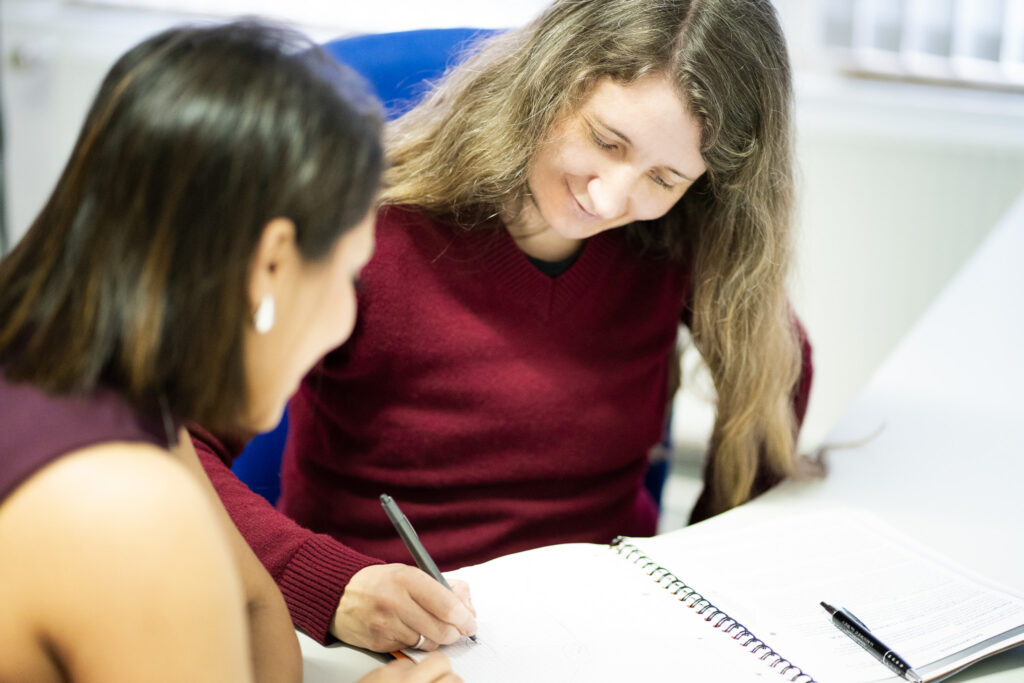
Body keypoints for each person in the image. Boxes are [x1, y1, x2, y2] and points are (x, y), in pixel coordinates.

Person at [194, 0, 813, 652]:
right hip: (389, 647)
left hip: (601, 636)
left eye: (664, 176)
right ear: (550, 78)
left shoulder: (675, 238)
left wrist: (704, 567)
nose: (608, 200)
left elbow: (776, 365)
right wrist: (331, 584)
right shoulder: (368, 222)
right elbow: (174, 440)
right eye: (606, 140)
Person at [0, 21, 465, 683]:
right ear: (272, 263)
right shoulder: (123, 504)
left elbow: (257, 635)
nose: (345, 317)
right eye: (345, 276)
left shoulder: (102, 375)